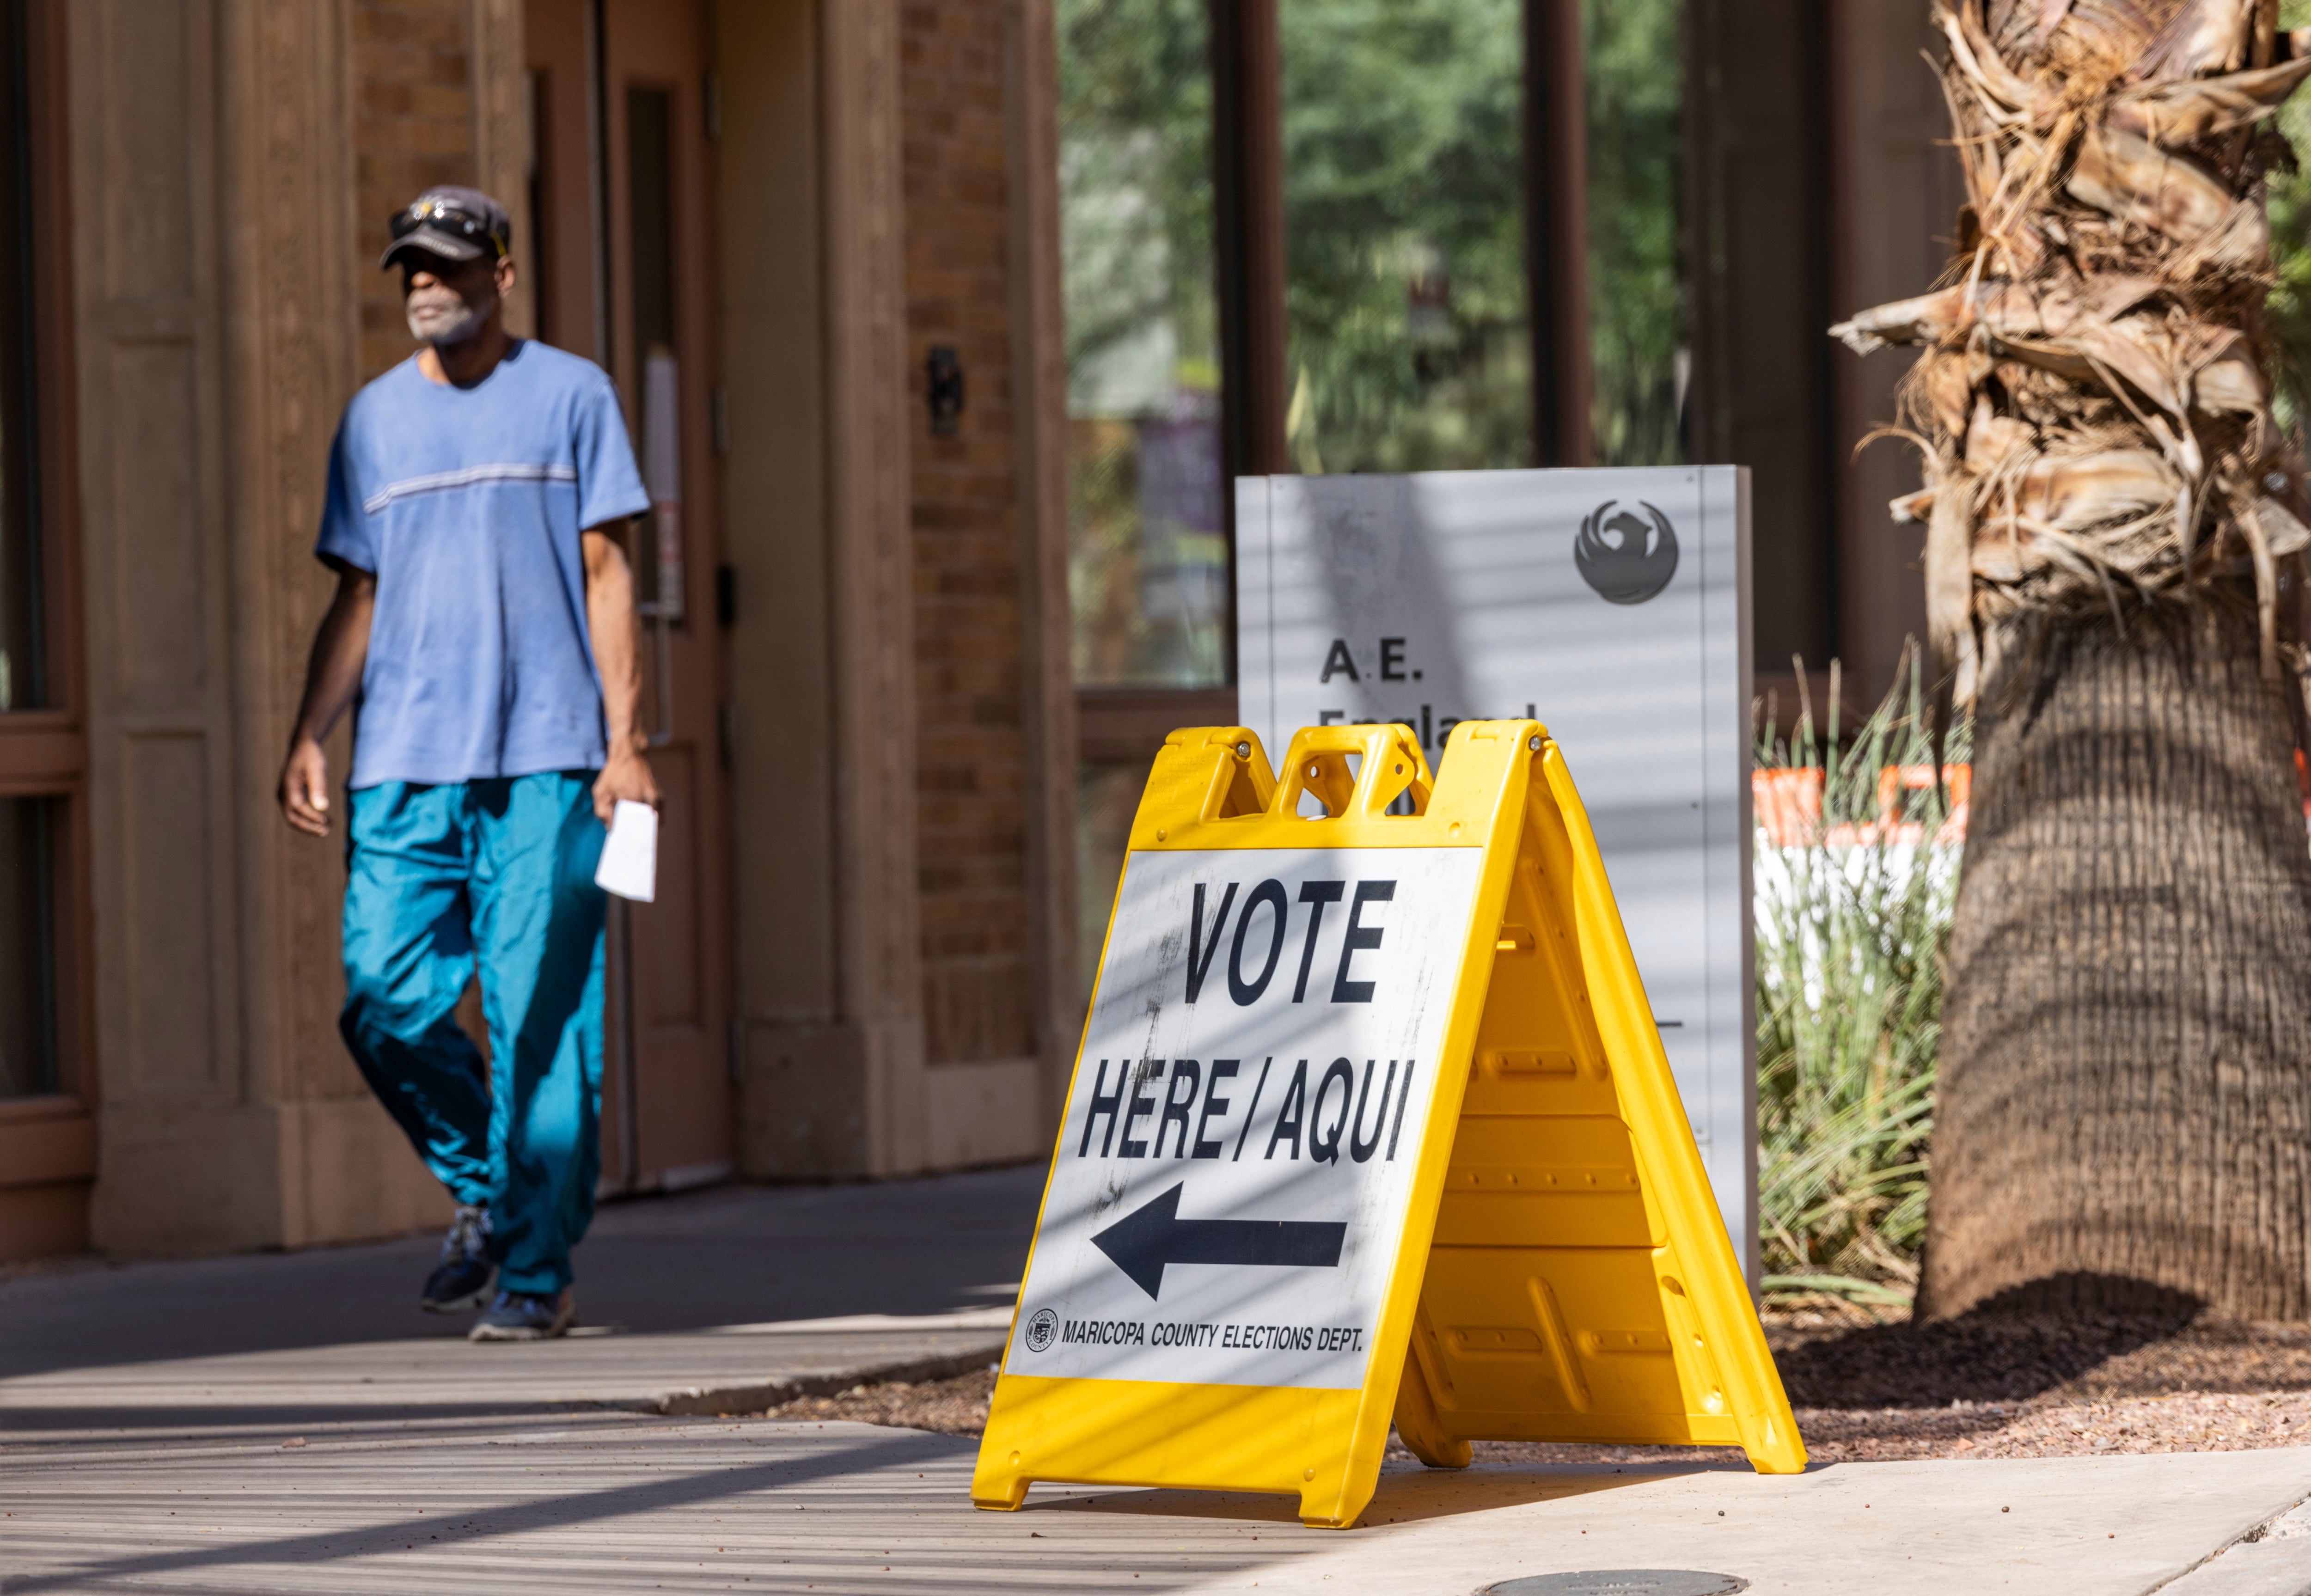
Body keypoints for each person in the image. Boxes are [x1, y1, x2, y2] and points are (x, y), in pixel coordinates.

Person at [276, 186, 656, 1342]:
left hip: (550, 757)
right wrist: (309, 732)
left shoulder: (572, 396)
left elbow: (607, 574)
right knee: (384, 993)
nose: (424, 285)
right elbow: (360, 594)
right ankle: (488, 1189)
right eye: (409, 268)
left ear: (501, 274)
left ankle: (535, 1271)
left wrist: (627, 742)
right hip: (404, 759)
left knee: (542, 1015)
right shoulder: (373, 422)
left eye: (446, 265)